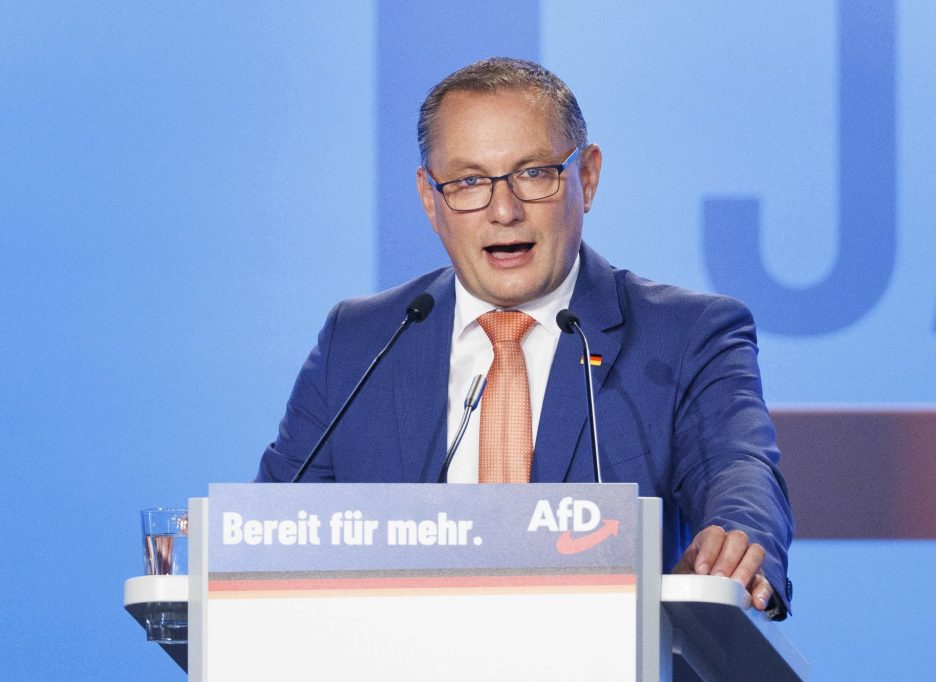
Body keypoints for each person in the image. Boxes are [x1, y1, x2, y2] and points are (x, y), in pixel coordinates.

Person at [257, 57, 793, 619]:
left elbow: (739, 472)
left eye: (534, 174)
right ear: (430, 200)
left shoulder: (685, 337)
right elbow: (273, 534)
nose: (504, 211)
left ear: (587, 178)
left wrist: (737, 543)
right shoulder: (359, 343)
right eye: (469, 182)